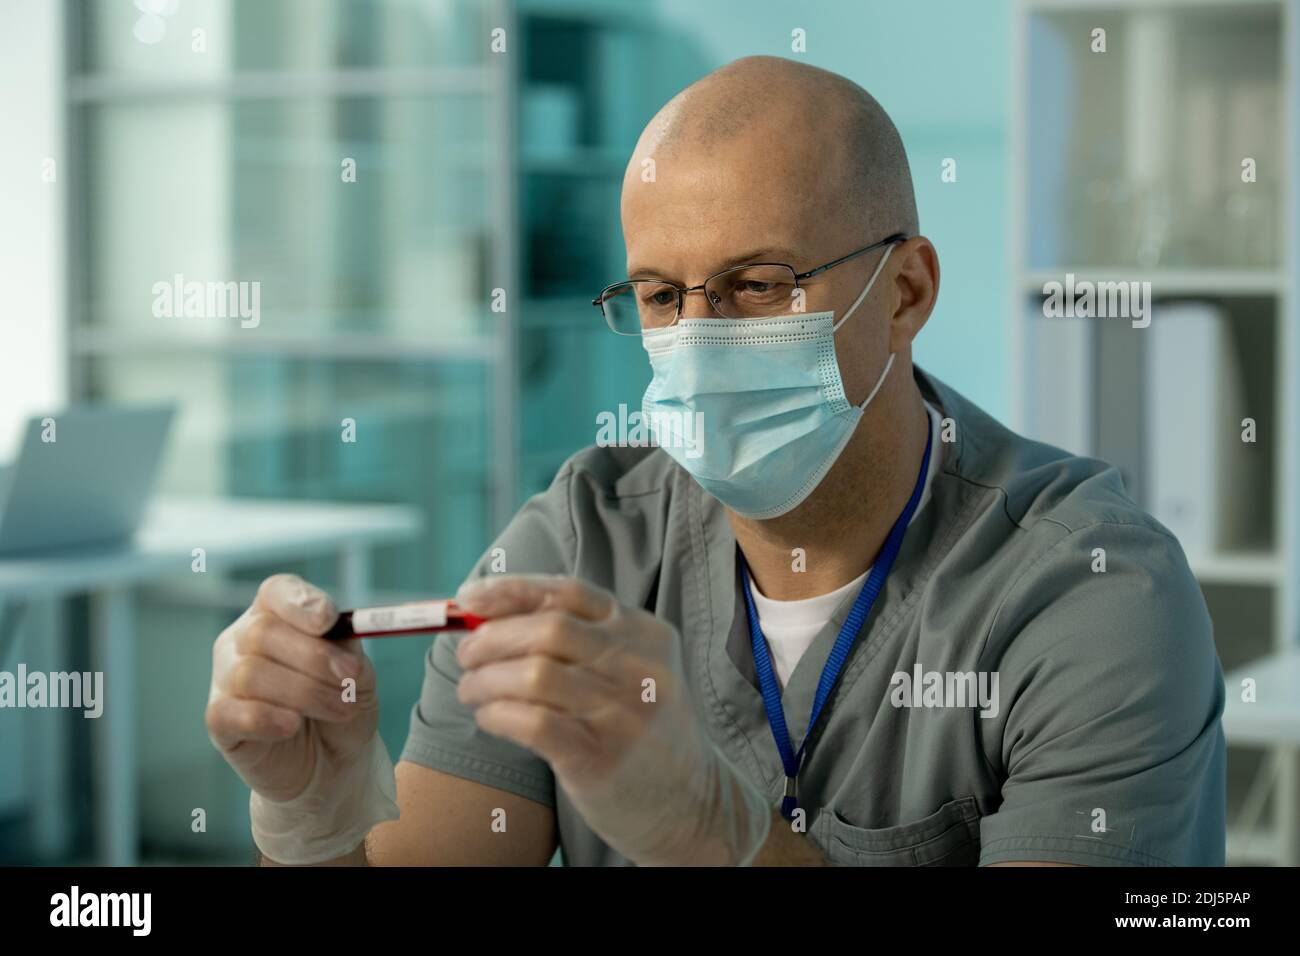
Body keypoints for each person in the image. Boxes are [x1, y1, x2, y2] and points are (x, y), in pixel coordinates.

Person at [205, 56, 1225, 867]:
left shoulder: (1089, 591)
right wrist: (312, 815)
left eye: (756, 285)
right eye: (659, 295)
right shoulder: (575, 540)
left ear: (906, 291)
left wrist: (712, 833)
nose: (697, 339)